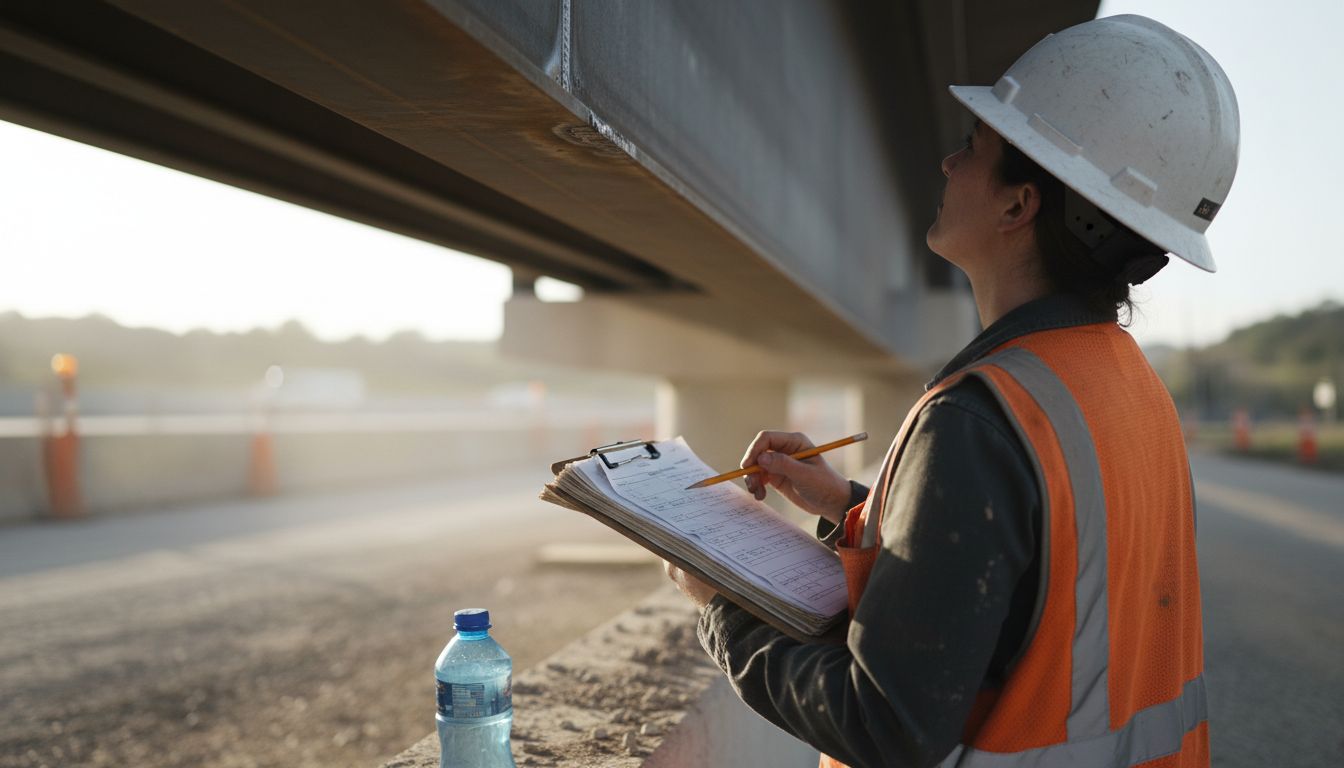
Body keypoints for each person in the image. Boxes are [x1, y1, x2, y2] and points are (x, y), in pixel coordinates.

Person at [665, 14, 1238, 768]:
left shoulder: (979, 418)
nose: (946, 163)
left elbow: (885, 725)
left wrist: (719, 608)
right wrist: (854, 511)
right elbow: (1046, 580)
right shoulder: (1130, 389)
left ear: (1017, 205)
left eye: (973, 148)